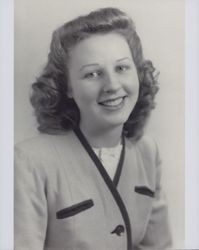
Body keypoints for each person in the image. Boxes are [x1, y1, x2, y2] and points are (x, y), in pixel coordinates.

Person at [14, 7, 172, 250]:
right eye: (93, 74)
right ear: (67, 87)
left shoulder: (147, 151)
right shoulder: (28, 162)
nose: (112, 85)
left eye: (121, 68)